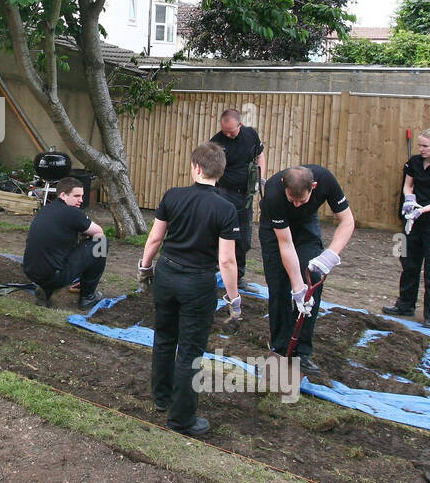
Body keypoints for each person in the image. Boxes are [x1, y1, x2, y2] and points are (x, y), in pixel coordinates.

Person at [138, 142, 241, 438]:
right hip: (198, 283)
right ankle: (181, 420)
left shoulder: (173, 196)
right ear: (219, 174)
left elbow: (155, 239)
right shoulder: (225, 209)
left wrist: (145, 268)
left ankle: (162, 398)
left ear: (196, 168)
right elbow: (226, 260)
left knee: (165, 337)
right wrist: (234, 300)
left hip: (167, 275)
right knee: (191, 351)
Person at [257, 165, 356, 374]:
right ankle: (281, 349)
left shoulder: (326, 180)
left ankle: (302, 352)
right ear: (284, 187)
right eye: (292, 199)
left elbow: (347, 221)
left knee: (313, 280)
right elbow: (285, 244)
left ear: (314, 187)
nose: (296, 204)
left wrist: (331, 255)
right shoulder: (274, 194)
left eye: (301, 200)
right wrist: (297, 287)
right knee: (279, 287)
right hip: (276, 232)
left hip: (305, 225)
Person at [384, 128, 430, 329]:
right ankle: (405, 305)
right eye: (419, 145)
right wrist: (410, 199)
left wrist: (424, 209)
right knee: (408, 263)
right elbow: (408, 185)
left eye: (425, 146)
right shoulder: (413, 163)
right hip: (411, 221)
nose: (421, 149)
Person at [22, 176, 107, 309]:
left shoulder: (46, 209)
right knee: (101, 242)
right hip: (55, 275)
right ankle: (87, 297)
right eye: (76, 196)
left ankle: (46, 289)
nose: (81, 200)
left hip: (31, 272)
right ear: (63, 195)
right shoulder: (72, 212)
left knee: (57, 254)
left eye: (82, 196)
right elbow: (99, 232)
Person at [210, 108, 266, 286]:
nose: (227, 134)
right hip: (223, 193)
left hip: (245, 197)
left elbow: (260, 155)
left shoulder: (251, 135)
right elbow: (208, 168)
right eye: (224, 130)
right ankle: (212, 270)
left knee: (242, 237)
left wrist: (260, 178)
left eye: (231, 131)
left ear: (240, 125)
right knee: (218, 233)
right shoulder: (217, 142)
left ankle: (238, 276)